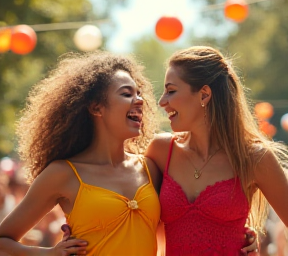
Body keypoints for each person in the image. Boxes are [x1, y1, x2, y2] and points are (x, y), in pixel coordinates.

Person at [0, 51, 162, 256]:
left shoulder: (151, 168)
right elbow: (3, 241)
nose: (139, 101)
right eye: (127, 94)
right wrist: (49, 253)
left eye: (139, 93)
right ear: (96, 108)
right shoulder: (62, 174)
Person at [145, 45, 288, 256]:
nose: (162, 101)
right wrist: (78, 232)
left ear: (204, 95)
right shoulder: (160, 151)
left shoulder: (254, 158)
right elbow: (124, 203)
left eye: (171, 91)